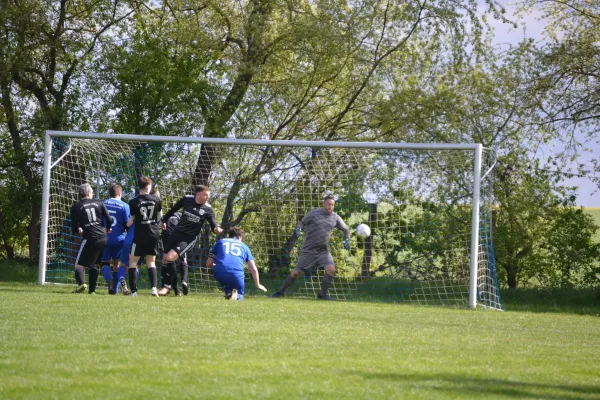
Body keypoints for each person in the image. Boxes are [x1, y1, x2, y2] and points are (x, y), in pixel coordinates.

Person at [270, 195, 350, 300]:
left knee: (331, 269)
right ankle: (281, 291)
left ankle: (322, 294)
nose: (331, 206)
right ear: (323, 203)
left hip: (323, 250)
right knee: (296, 273)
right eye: (329, 204)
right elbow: (301, 223)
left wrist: (347, 239)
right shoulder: (314, 213)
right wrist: (299, 229)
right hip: (309, 250)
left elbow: (346, 229)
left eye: (332, 205)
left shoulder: (335, 217)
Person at [158, 185, 223, 296]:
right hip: (176, 233)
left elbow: (213, 223)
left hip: (188, 238)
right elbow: (173, 209)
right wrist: (163, 220)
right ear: (198, 194)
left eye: (208, 195)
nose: (207, 197)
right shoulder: (187, 199)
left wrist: (216, 228)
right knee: (165, 260)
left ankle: (167, 287)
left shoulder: (207, 208)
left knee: (170, 257)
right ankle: (174, 287)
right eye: (205, 195)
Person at [70, 183, 112, 294]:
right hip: (103, 237)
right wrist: (108, 228)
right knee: (93, 265)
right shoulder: (99, 202)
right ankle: (92, 291)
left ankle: (82, 283)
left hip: (89, 238)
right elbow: (109, 219)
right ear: (89, 193)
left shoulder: (76, 207)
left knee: (79, 265)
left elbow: (74, 228)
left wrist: (79, 229)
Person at [206, 227, 267, 300]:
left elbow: (208, 264)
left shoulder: (220, 242)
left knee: (228, 288)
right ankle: (237, 296)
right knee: (239, 295)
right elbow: (253, 269)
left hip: (220, 272)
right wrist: (258, 284)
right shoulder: (244, 247)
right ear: (240, 237)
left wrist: (218, 267)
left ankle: (229, 294)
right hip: (236, 274)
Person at [127, 176, 162, 296]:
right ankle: (153, 289)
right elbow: (159, 218)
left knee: (132, 262)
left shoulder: (133, 201)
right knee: (151, 262)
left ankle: (134, 291)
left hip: (140, 234)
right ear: (148, 187)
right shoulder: (157, 200)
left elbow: (131, 220)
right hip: (153, 234)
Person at [100, 184, 130, 295]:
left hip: (105, 238)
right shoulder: (125, 206)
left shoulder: (103, 204)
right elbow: (128, 224)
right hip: (120, 239)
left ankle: (110, 282)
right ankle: (116, 289)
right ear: (120, 193)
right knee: (117, 264)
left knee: (104, 263)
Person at [158, 211, 187, 296]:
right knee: (183, 259)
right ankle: (184, 281)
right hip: (179, 236)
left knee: (168, 261)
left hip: (167, 236)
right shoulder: (184, 215)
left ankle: (175, 290)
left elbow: (160, 225)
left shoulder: (164, 216)